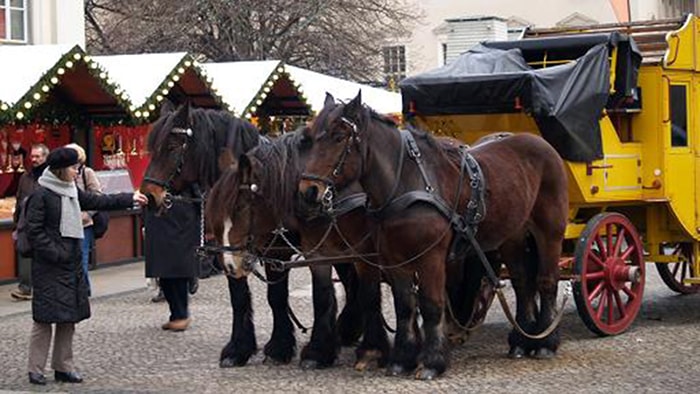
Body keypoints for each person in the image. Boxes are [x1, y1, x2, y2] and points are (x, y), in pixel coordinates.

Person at [24, 147, 148, 385]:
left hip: (70, 265)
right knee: (43, 320)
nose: (77, 172)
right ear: (61, 170)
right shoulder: (41, 195)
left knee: (68, 318)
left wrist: (130, 196)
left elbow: (99, 200)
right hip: (50, 267)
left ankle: (63, 366)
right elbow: (35, 231)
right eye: (74, 168)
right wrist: (57, 253)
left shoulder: (72, 191)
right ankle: (35, 369)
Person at [143, 184, 201, 332]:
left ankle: (181, 314)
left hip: (179, 218)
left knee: (177, 269)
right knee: (163, 270)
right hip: (158, 217)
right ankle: (175, 314)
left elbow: (197, 193)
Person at [10, 143, 49, 301]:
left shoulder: (50, 176)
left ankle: (42, 288)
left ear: (45, 157)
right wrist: (16, 222)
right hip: (25, 223)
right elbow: (20, 199)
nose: (34, 159)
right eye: (32, 156)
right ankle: (25, 287)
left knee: (43, 256)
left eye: (38, 156)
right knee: (24, 253)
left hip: (44, 223)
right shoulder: (25, 177)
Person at [65, 143, 101, 296]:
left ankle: (83, 290)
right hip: (67, 224)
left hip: (83, 224)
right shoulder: (62, 175)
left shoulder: (87, 173)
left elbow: (97, 196)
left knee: (82, 258)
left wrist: (87, 214)